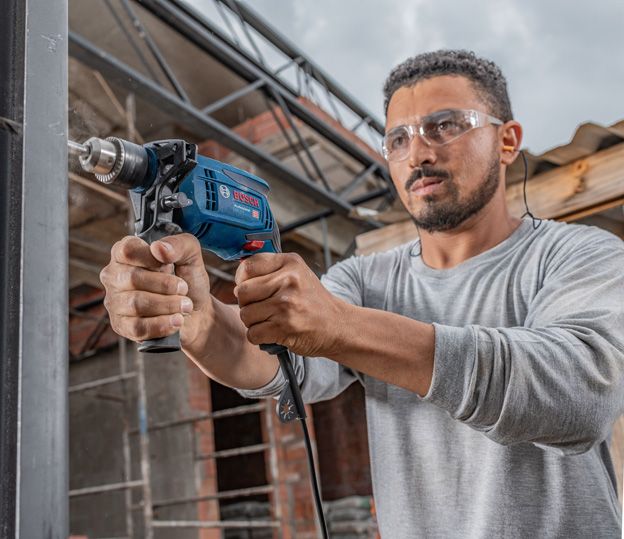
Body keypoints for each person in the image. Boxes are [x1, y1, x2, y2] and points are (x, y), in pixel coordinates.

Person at [99, 49, 624, 537]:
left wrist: (343, 327)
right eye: (398, 138)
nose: (417, 152)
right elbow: (288, 365)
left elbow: (580, 396)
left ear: (507, 141)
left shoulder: (580, 255)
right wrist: (200, 318)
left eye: (445, 126)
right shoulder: (364, 280)